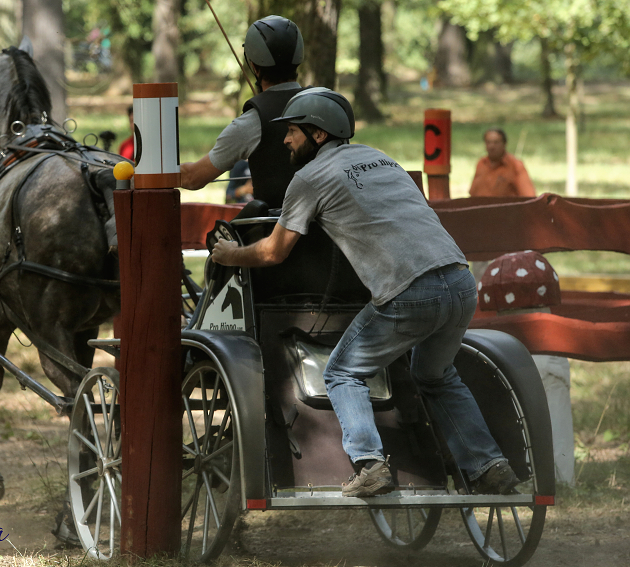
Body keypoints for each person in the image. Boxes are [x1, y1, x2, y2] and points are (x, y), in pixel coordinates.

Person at [211, 88, 520, 497]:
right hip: (461, 284)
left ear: (318, 135)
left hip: (410, 291)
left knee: (340, 372)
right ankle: (489, 465)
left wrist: (230, 254)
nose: (285, 140)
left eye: (293, 132)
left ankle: (370, 464)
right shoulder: (381, 158)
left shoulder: (309, 178)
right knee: (436, 375)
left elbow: (273, 251)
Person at [180, 15, 304, 209]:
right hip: (333, 235)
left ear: (253, 65)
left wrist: (145, 173)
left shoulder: (252, 122)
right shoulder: (329, 107)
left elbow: (192, 178)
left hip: (277, 235)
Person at [469, 128, 536, 197]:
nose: (492, 146)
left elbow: (529, 196)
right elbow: (473, 193)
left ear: (504, 144)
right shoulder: (481, 164)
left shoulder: (515, 165)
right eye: (488, 142)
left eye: (496, 142)